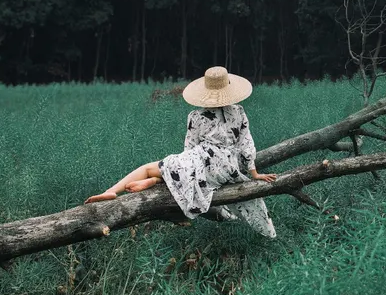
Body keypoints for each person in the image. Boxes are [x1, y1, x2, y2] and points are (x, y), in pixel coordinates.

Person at [84, 66, 278, 238]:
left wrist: (184, 165)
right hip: (228, 168)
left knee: (150, 168)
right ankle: (157, 179)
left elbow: (190, 150)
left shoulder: (196, 116)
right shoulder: (238, 111)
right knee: (175, 170)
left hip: (203, 162)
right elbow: (246, 143)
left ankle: (112, 191)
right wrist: (254, 173)